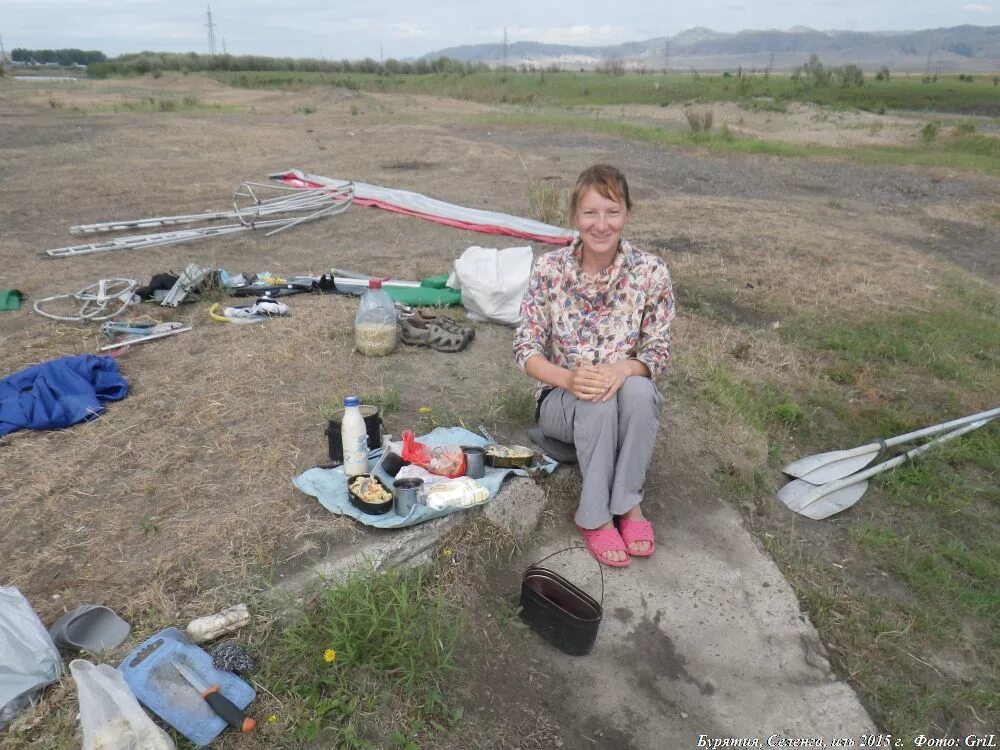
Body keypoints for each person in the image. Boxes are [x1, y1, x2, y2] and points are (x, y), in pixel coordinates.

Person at [513, 164, 676, 568]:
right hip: (562, 400)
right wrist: (567, 378)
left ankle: (628, 504)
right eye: (590, 213)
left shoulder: (650, 271)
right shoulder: (550, 270)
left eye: (612, 212)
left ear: (627, 214)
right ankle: (595, 516)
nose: (601, 225)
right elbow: (525, 347)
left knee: (638, 389)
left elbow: (657, 351)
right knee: (595, 397)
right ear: (574, 217)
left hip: (625, 394)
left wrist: (622, 370)